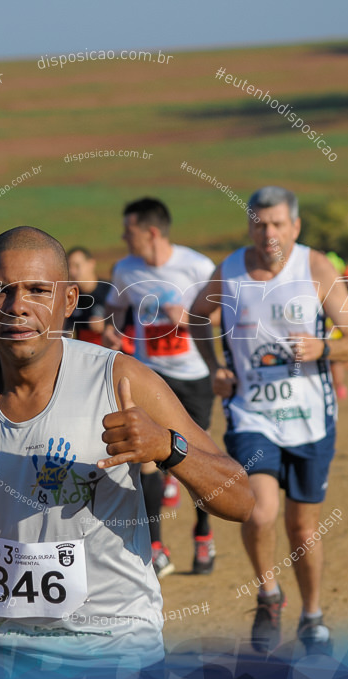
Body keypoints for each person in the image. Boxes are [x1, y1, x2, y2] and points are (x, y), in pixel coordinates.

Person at [0, 226, 254, 678]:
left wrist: (169, 448)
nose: (17, 306)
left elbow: (241, 499)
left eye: (38, 290)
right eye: (1, 291)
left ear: (69, 300)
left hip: (114, 648)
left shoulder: (120, 381)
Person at [190, 186, 348, 654]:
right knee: (261, 510)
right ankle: (269, 594)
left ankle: (313, 615)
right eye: (258, 223)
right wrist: (217, 370)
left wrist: (324, 348)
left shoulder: (314, 268)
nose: (267, 232)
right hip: (252, 414)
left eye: (276, 224)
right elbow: (194, 319)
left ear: (295, 227)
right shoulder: (229, 270)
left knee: (302, 527)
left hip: (311, 417)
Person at [103, 198, 219, 576]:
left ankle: (203, 533)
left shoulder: (197, 266)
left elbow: (218, 314)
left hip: (194, 376)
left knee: (197, 458)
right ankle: (155, 546)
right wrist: (112, 329)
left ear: (151, 231)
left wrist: (185, 319)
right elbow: (116, 310)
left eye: (129, 230)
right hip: (150, 376)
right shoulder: (124, 270)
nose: (124, 237)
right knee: (147, 459)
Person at [65, 246, 115, 345]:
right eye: (70, 267)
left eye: (77, 265)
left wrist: (107, 326)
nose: (73, 272)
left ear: (91, 264)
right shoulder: (70, 297)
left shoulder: (111, 290)